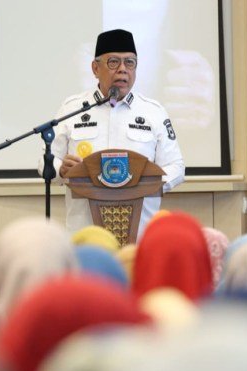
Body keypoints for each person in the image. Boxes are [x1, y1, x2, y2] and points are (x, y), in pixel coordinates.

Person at [43, 29, 185, 234]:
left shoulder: (153, 112)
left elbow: (176, 166)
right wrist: (61, 169)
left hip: (140, 236)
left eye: (130, 62)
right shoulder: (72, 109)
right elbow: (46, 161)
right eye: (113, 62)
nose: (122, 69)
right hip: (85, 235)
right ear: (95, 68)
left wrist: (149, 185)